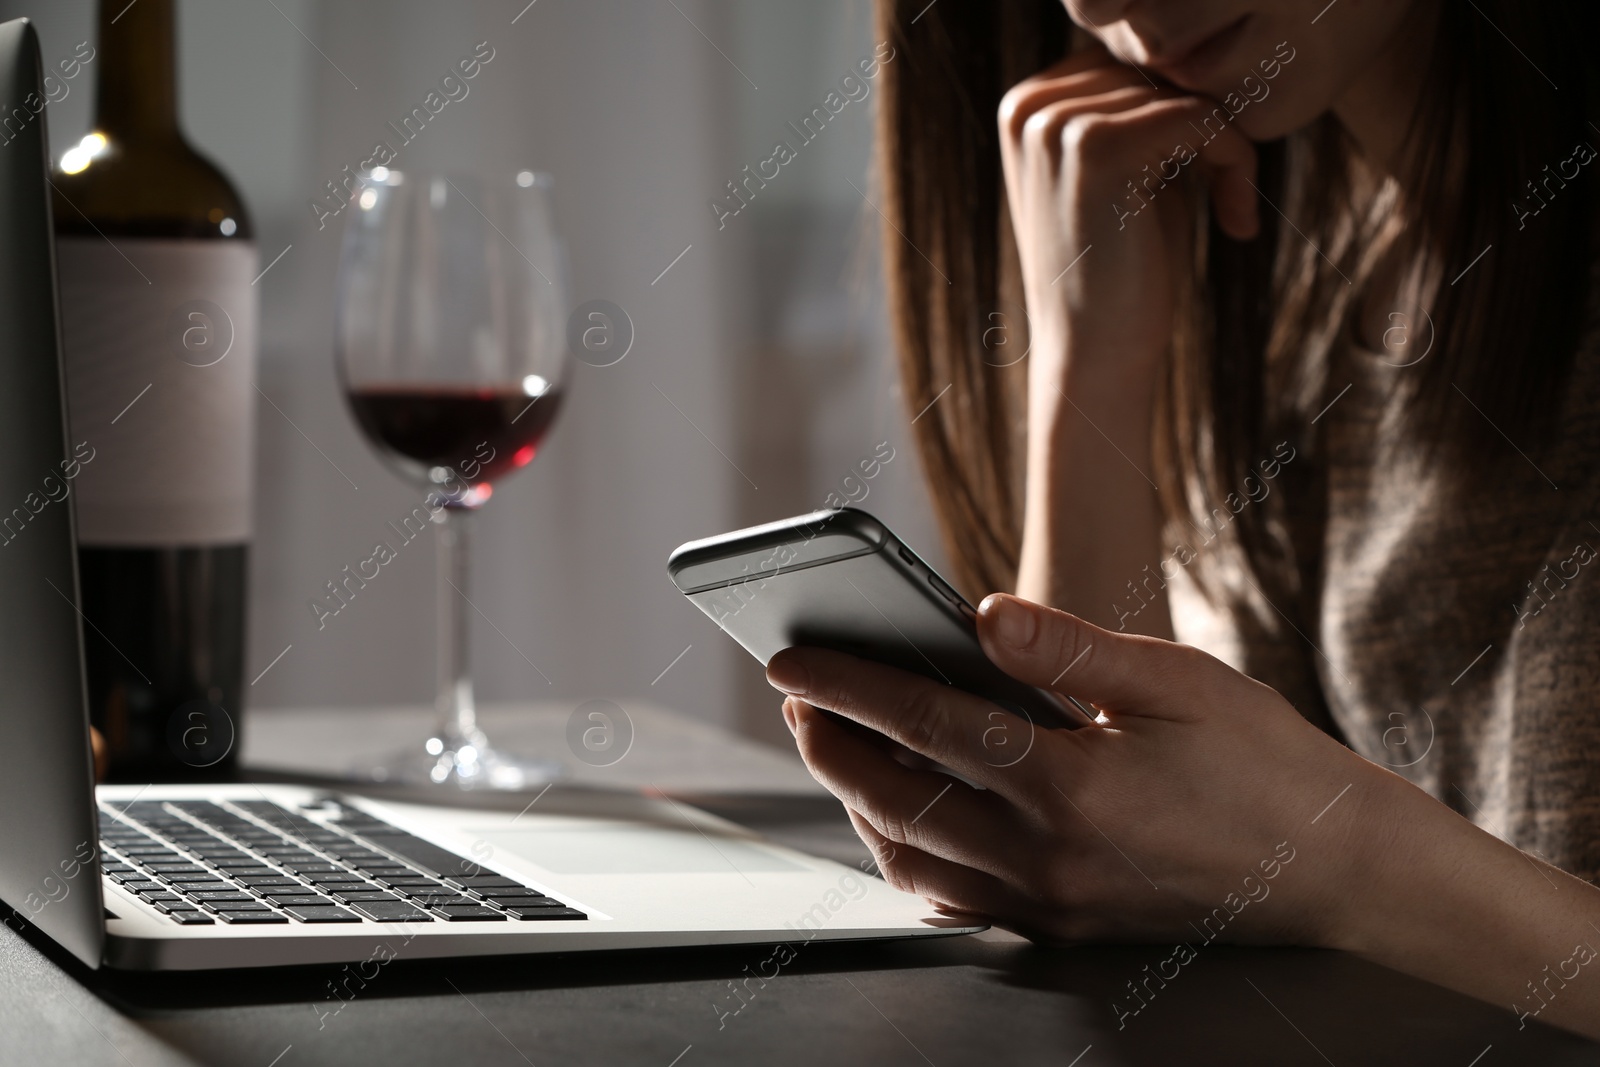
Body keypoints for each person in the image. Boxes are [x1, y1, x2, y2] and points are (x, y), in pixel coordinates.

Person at [766, 0, 1600, 1038]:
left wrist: (1348, 866)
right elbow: (1112, 872)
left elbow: (1280, 870)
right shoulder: (1301, 290)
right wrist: (1086, 366)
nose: (1096, 4)